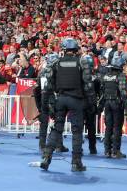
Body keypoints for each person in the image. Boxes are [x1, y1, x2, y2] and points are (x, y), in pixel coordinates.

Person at [40, 38, 95, 172]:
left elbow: (48, 86)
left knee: (56, 129)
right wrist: (92, 102)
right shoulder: (82, 62)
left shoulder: (56, 63)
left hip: (61, 99)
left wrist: (50, 102)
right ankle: (76, 163)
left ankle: (46, 157)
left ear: (63, 50)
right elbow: (88, 84)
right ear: (76, 49)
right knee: (77, 132)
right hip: (76, 100)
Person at [100, 53, 127, 158]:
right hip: (116, 104)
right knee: (117, 127)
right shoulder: (121, 76)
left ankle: (107, 150)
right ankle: (116, 151)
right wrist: (126, 104)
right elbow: (123, 92)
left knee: (108, 127)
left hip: (107, 103)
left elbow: (102, 90)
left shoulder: (106, 76)